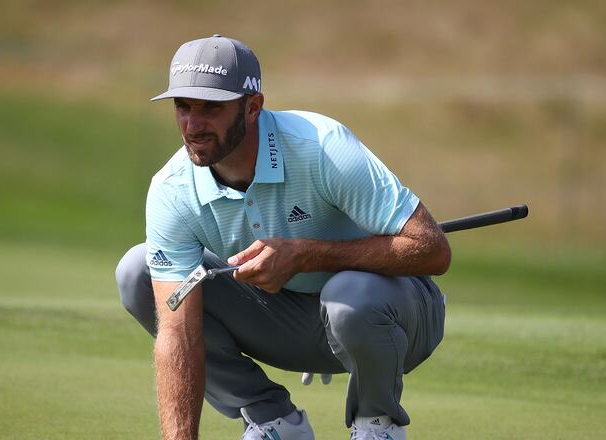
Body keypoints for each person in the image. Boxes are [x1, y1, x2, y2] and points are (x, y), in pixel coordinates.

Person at [115, 34, 451, 440]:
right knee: (138, 271)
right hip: (286, 324)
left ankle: (376, 423)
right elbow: (178, 335)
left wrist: (307, 256)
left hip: (395, 316)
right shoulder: (172, 190)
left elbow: (432, 250)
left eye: (212, 108)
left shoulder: (322, 147)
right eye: (183, 107)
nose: (193, 124)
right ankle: (274, 422)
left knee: (351, 296)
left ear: (252, 107)